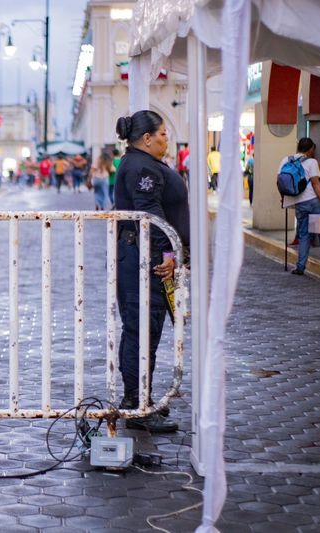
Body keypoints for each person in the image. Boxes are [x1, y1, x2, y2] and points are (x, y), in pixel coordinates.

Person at [114, 110, 189, 433]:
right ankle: (136, 405)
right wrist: (169, 252)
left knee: (145, 330)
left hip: (145, 258)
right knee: (141, 329)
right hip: (147, 261)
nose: (165, 139)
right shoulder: (141, 166)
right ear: (147, 139)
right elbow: (151, 215)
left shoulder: (140, 163)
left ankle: (141, 400)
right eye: (162, 135)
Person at [279, 137, 320, 275]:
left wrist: (283, 199)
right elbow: (316, 183)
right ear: (310, 150)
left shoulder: (286, 160)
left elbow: (279, 182)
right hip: (313, 201)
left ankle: (300, 267)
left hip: (299, 203)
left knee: (304, 235)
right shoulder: (311, 162)